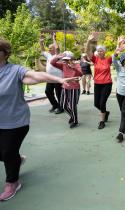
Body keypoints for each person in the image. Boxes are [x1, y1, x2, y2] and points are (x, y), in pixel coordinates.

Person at [0, 38, 76, 201]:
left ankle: (12, 182)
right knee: (7, 154)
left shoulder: (14, 71)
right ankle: (16, 159)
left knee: (7, 151)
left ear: (5, 54)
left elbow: (36, 75)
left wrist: (59, 79)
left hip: (15, 122)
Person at [86, 35, 112, 129]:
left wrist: (119, 45)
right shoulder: (95, 59)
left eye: (102, 50)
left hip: (107, 84)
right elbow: (87, 52)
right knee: (96, 104)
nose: (100, 52)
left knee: (102, 103)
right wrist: (88, 41)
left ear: (104, 52)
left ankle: (102, 121)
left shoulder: (108, 59)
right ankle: (105, 113)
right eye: (99, 50)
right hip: (97, 84)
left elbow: (116, 53)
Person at [50, 51, 83, 129]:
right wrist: (59, 56)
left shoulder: (77, 65)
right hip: (65, 87)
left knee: (72, 105)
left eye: (68, 59)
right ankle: (72, 116)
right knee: (63, 105)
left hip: (74, 88)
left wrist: (74, 68)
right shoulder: (63, 65)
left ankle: (75, 121)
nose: (66, 61)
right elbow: (52, 62)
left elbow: (81, 74)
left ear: (72, 58)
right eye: (65, 59)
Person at [39, 33, 64, 114]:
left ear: (54, 49)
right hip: (50, 78)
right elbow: (43, 50)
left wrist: (54, 39)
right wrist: (41, 42)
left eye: (50, 48)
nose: (49, 50)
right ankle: (55, 105)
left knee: (59, 94)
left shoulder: (58, 55)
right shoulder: (48, 55)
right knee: (48, 92)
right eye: (49, 49)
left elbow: (57, 48)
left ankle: (61, 107)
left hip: (58, 78)